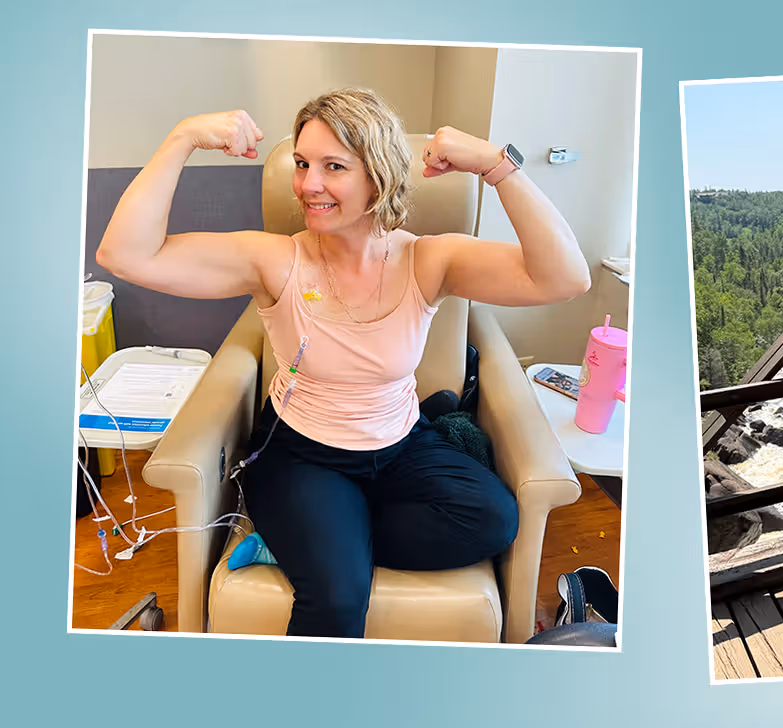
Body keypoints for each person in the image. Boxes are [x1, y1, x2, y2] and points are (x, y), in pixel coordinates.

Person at [96, 88, 591, 637]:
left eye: (333, 167)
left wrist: (498, 166)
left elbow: (564, 278)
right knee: (336, 600)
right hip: (302, 453)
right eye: (302, 164)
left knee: (493, 520)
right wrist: (182, 137)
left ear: (377, 176)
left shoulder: (427, 259)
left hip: (401, 441)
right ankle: (318, 548)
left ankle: (307, 542)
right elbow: (125, 254)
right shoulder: (276, 259)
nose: (308, 184)